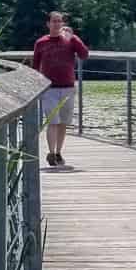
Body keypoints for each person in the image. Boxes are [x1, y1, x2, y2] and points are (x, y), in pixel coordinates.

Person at [29, 11, 88, 167]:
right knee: (53, 121)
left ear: (63, 23)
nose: (57, 24)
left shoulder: (70, 40)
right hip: (49, 88)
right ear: (48, 24)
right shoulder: (41, 43)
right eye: (54, 21)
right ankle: (51, 152)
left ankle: (58, 152)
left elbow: (84, 55)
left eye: (59, 21)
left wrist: (75, 39)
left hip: (68, 87)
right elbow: (35, 66)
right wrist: (34, 86)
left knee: (63, 123)